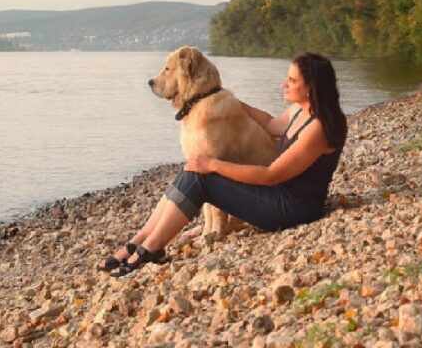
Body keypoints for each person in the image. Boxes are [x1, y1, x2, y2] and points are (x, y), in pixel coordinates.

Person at [97, 52, 348, 277]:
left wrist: (213, 165)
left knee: (201, 175)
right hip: (281, 197)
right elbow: (270, 124)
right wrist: (219, 97)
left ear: (312, 87)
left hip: (291, 208)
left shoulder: (319, 128)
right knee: (192, 170)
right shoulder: (301, 111)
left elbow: (272, 175)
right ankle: (138, 242)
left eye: (292, 81)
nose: (284, 84)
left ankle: (150, 249)